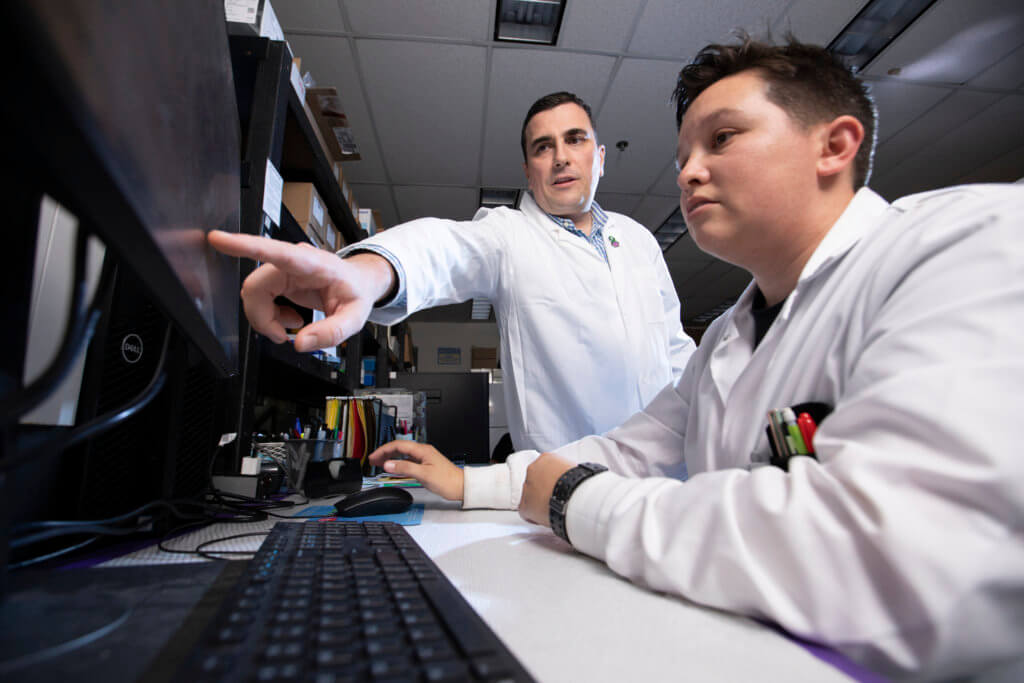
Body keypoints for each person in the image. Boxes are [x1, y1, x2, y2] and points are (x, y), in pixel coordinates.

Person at [368, 37, 1024, 678]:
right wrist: (372, 271)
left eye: (722, 138)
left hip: (652, 535)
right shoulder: (723, 336)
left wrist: (581, 500)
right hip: (658, 555)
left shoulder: (969, 242)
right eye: (683, 154)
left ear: (834, 144)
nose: (687, 171)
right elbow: (454, 253)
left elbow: (903, 560)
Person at [209, 92, 695, 454]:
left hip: (669, 487)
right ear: (529, 171)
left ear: (600, 157)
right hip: (567, 490)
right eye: (543, 147)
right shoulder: (508, 236)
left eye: (575, 139)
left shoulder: (639, 241)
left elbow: (677, 356)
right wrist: (365, 272)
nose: (562, 156)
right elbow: (443, 249)